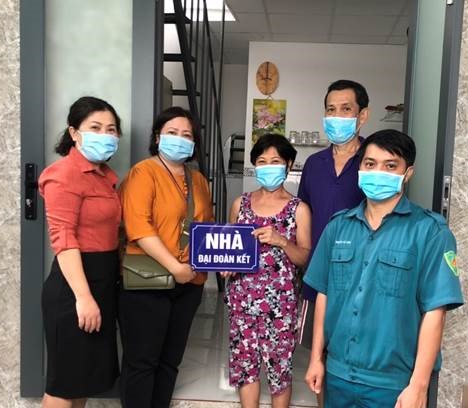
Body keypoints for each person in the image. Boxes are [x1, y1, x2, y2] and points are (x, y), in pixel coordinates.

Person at [303, 129, 464, 407]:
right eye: (370, 164)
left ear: (407, 173)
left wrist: (419, 386)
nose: (378, 172)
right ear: (360, 168)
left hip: (394, 384)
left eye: (390, 166)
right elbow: (324, 295)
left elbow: (435, 312)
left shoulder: (430, 232)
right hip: (338, 375)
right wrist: (316, 358)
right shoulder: (338, 226)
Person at [118, 107, 214, 407]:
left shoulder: (199, 181)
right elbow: (138, 227)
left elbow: (207, 230)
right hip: (147, 282)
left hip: (190, 284)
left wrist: (220, 262)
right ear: (158, 137)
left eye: (187, 135)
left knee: (170, 361)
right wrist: (174, 267)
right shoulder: (143, 173)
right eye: (172, 132)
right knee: (142, 362)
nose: (180, 139)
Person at [39, 96, 122, 408]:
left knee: (83, 380)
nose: (105, 135)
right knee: (64, 385)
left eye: (111, 129)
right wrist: (83, 298)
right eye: (95, 127)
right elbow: (64, 238)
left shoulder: (104, 176)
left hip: (103, 283)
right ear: (74, 132)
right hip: (74, 288)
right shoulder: (63, 174)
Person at [221, 133, 312, 408]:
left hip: (280, 305)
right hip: (242, 301)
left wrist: (281, 240)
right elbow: (229, 248)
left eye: (275, 161)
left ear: (288, 164)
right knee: (245, 367)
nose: (268, 167)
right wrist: (225, 266)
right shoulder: (240, 204)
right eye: (262, 161)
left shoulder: (299, 209)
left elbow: (304, 258)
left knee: (279, 371)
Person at [296, 80, 369, 401]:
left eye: (345, 109)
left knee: (354, 354)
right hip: (318, 276)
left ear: (362, 115)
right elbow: (302, 216)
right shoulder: (314, 164)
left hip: (361, 277)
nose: (336, 116)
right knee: (319, 360)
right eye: (331, 109)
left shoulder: (372, 162)